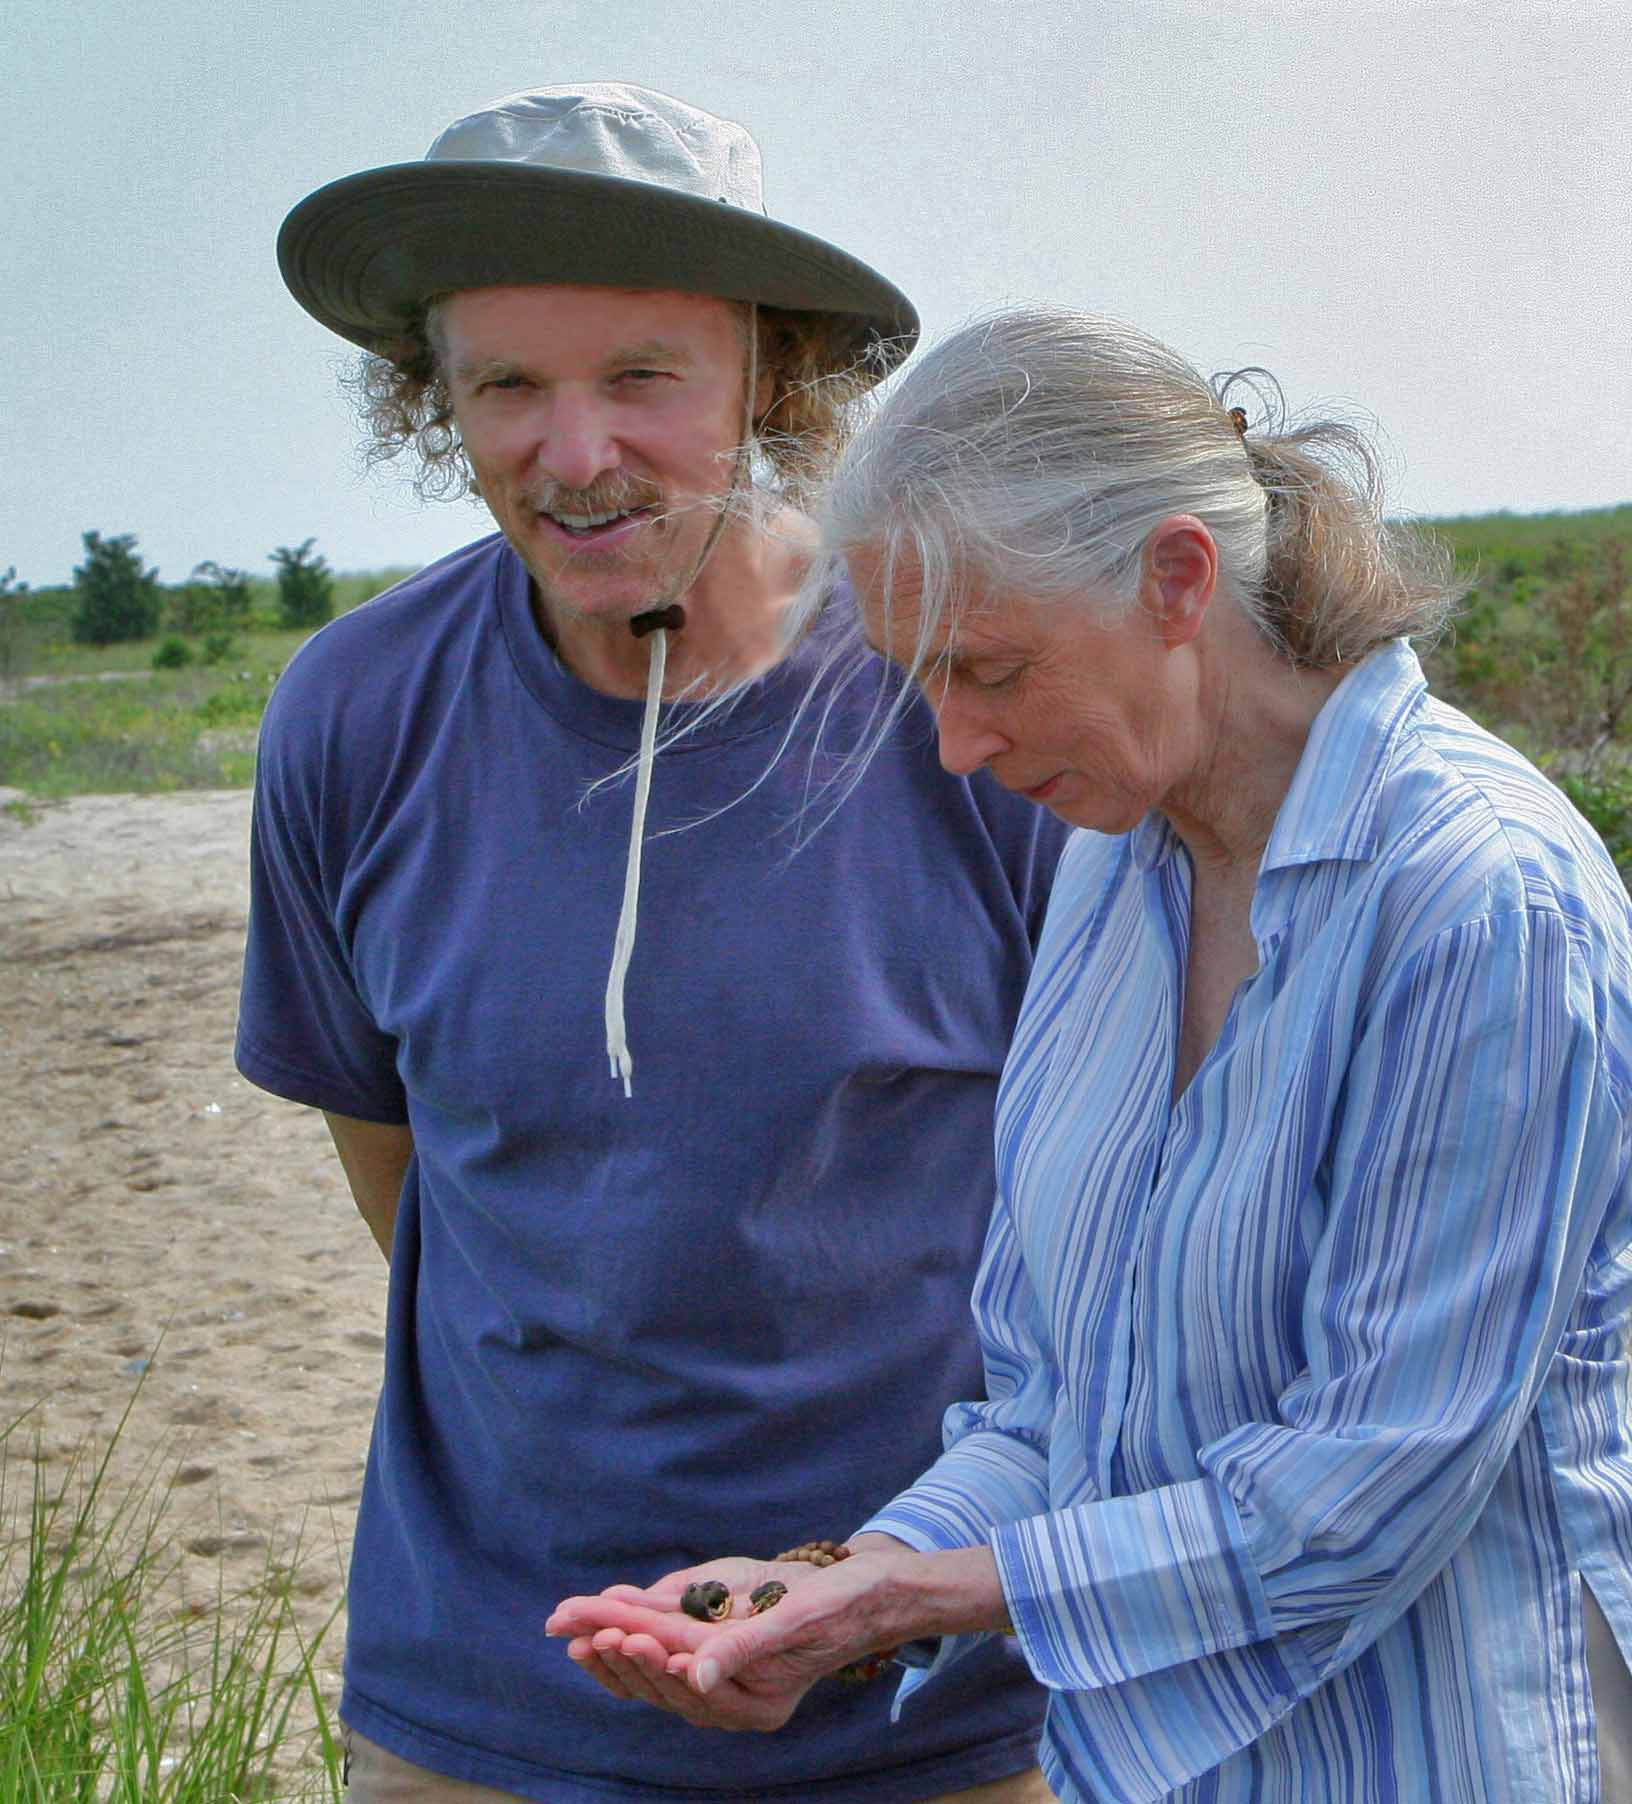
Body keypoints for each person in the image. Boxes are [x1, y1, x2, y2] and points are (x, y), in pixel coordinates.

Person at [548, 308, 1632, 1802]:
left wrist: (918, 1603)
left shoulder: (1478, 900)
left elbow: (1369, 1488)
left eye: (989, 669)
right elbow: (1061, 1400)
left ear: (1177, 579)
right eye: (918, 678)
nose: (955, 747)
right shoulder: (1117, 864)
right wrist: (840, 1584)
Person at [237, 88, 1067, 1804]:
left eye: (641, 378)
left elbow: (1116, 1189)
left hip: (935, 1704)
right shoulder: (352, 716)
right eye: (507, 387)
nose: (574, 452)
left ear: (768, 377)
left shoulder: (955, 691)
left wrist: (898, 1583)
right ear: (434, 404)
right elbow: (398, 1166)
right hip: (484, 1695)